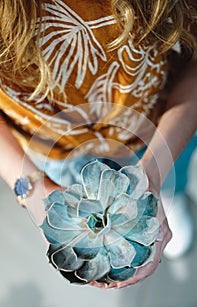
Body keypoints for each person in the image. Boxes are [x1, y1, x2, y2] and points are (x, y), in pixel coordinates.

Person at [0, 0, 196, 289]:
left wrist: (153, 175)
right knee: (73, 182)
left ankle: (166, 193)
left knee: (171, 173)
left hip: (157, 121)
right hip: (52, 147)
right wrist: (32, 188)